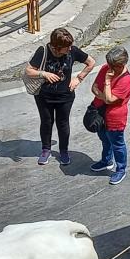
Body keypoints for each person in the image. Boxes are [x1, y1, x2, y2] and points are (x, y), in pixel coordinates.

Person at [25, 28, 95, 165]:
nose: (69, 49)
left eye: (70, 46)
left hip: (65, 96)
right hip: (44, 96)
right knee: (46, 122)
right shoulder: (43, 51)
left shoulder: (73, 51)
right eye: (66, 47)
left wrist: (79, 78)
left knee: (63, 123)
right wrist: (44, 74)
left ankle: (64, 151)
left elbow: (91, 62)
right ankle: (46, 149)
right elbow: (29, 70)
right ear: (57, 47)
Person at [89, 46, 130, 185]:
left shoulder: (126, 80)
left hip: (115, 118)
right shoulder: (105, 68)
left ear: (121, 65)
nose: (110, 68)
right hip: (101, 113)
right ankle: (106, 160)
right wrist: (105, 96)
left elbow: (110, 99)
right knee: (104, 138)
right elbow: (94, 87)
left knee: (117, 144)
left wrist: (107, 82)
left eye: (113, 66)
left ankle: (121, 169)